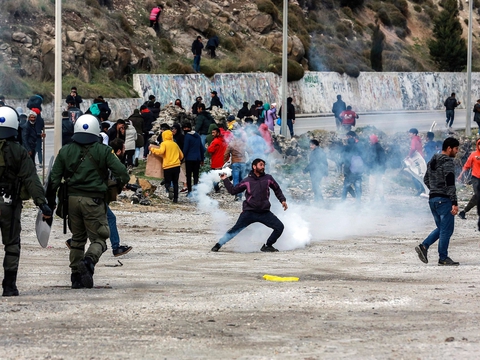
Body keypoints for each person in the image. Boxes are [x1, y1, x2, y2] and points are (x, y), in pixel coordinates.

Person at [46, 114, 130, 289]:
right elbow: (123, 173)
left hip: (71, 201)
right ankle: (89, 262)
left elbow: (53, 179)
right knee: (100, 239)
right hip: (94, 201)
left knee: (77, 239)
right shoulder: (104, 151)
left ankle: (76, 277)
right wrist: (116, 185)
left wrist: (49, 202)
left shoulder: (66, 150)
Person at [0, 106, 52, 296]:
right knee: (12, 243)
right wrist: (43, 204)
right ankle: (9, 285)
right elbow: (31, 180)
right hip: (9, 203)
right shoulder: (19, 151)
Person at [65, 138, 133, 257]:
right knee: (109, 218)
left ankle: (73, 241)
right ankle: (116, 247)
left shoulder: (95, 156)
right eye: (123, 149)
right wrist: (122, 184)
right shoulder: (112, 159)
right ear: (118, 151)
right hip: (95, 196)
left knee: (88, 218)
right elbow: (112, 178)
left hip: (83, 194)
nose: (125, 151)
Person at [211, 158, 288, 252]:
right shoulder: (247, 181)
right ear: (254, 166)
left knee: (279, 227)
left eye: (264, 165)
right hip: (249, 212)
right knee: (234, 230)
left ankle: (268, 245)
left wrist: (282, 200)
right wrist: (225, 179)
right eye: (260, 165)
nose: (263, 167)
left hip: (264, 212)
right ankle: (218, 245)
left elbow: (277, 189)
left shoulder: (268, 178)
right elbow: (233, 191)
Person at [415, 137, 460, 266]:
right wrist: (454, 203)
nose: (457, 152)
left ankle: (424, 247)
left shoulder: (431, 161)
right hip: (443, 200)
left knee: (442, 228)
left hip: (433, 200)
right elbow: (450, 183)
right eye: (456, 149)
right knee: (446, 230)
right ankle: (443, 258)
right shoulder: (448, 162)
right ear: (449, 148)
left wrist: (434, 190)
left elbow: (426, 179)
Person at [149, 130, 184, 203]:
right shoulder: (175, 144)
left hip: (168, 166)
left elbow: (161, 152)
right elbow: (181, 156)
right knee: (175, 183)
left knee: (167, 182)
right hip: (176, 166)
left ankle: (169, 188)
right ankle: (175, 199)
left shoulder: (164, 144)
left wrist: (152, 149)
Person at [457, 138, 480, 220]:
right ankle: (464, 211)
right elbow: (467, 165)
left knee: (477, 197)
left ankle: (463, 212)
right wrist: (461, 175)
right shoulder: (473, 155)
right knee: (478, 195)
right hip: (476, 178)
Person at [182, 122, 205, 195]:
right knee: (196, 176)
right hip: (197, 159)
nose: (185, 129)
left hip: (189, 158)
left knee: (188, 176)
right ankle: (195, 191)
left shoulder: (187, 136)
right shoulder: (197, 136)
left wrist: (182, 158)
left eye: (186, 128)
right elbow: (201, 148)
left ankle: (189, 191)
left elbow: (185, 148)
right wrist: (202, 159)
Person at [341, 131, 364, 203]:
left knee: (346, 187)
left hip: (349, 172)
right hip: (358, 171)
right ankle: (358, 201)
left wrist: (345, 172)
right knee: (358, 187)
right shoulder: (359, 146)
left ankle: (342, 202)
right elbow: (364, 157)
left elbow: (344, 160)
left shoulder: (346, 148)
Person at [224, 130, 247, 201]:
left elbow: (225, 154)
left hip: (235, 163)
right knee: (242, 179)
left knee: (236, 180)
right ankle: (242, 194)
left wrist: (225, 162)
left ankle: (237, 195)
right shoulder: (243, 143)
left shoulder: (231, 144)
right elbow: (250, 151)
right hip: (243, 163)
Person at [366, 134, 386, 202]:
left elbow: (370, 160)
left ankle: (372, 200)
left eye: (370, 139)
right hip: (379, 170)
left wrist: (368, 169)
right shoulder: (381, 148)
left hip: (373, 170)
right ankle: (382, 199)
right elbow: (383, 160)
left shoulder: (372, 148)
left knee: (372, 185)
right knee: (380, 184)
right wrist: (383, 170)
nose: (369, 141)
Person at [207, 126, 227, 192]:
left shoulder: (215, 141)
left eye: (214, 133)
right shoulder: (225, 141)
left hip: (216, 161)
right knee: (221, 175)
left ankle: (216, 189)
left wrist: (208, 147)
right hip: (223, 161)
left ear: (218, 133)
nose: (212, 134)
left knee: (214, 176)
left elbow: (210, 150)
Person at [407, 128, 425, 196]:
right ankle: (423, 189)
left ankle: (419, 190)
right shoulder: (418, 138)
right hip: (421, 157)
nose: (409, 134)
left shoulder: (414, 139)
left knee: (414, 174)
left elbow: (413, 148)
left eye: (410, 133)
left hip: (416, 159)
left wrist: (409, 156)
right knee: (420, 174)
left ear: (414, 134)